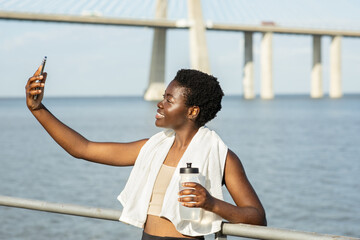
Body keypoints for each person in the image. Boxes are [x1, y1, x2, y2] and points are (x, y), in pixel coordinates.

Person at [25, 65, 266, 240]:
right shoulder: (151, 147)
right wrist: (38, 109)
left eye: (169, 100)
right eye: (163, 97)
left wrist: (212, 203)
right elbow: (82, 148)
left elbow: (257, 219)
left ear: (192, 111)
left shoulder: (222, 157)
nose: (160, 104)